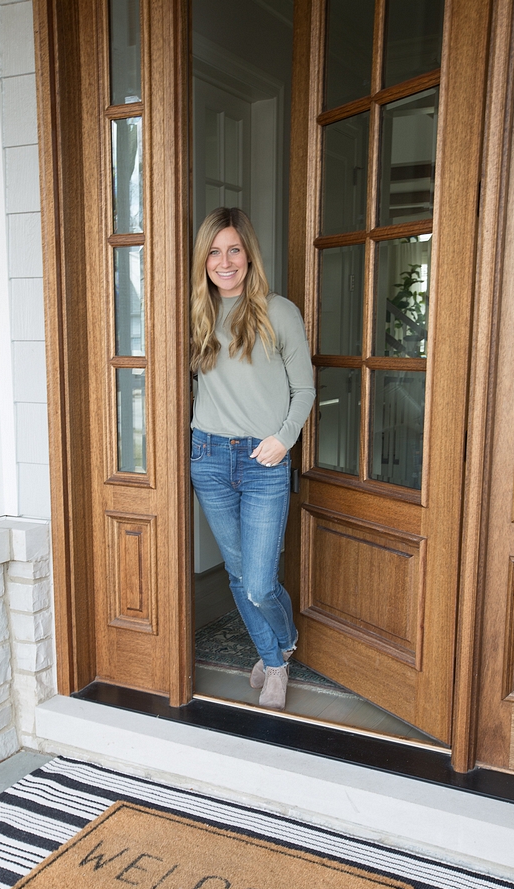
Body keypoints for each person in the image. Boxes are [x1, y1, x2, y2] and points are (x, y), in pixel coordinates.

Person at [190, 207, 316, 711]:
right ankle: (277, 663)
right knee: (239, 574)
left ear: (248, 254)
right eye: (214, 252)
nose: (224, 261)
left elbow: (304, 390)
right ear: (204, 259)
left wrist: (284, 439)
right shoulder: (196, 313)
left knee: (261, 582)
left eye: (233, 250)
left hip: (265, 459)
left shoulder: (278, 311)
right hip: (209, 457)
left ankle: (282, 642)